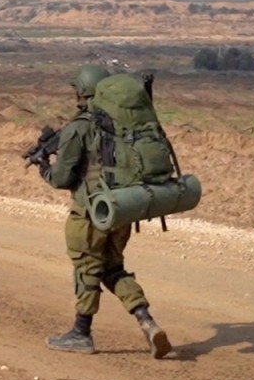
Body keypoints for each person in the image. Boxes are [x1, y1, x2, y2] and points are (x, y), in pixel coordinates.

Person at [39, 64, 171, 358]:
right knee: (112, 269)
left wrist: (44, 168)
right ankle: (147, 321)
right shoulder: (121, 124)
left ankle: (81, 333)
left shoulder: (79, 127)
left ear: (82, 91)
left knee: (86, 268)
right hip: (121, 209)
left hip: (91, 212)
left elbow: (62, 178)